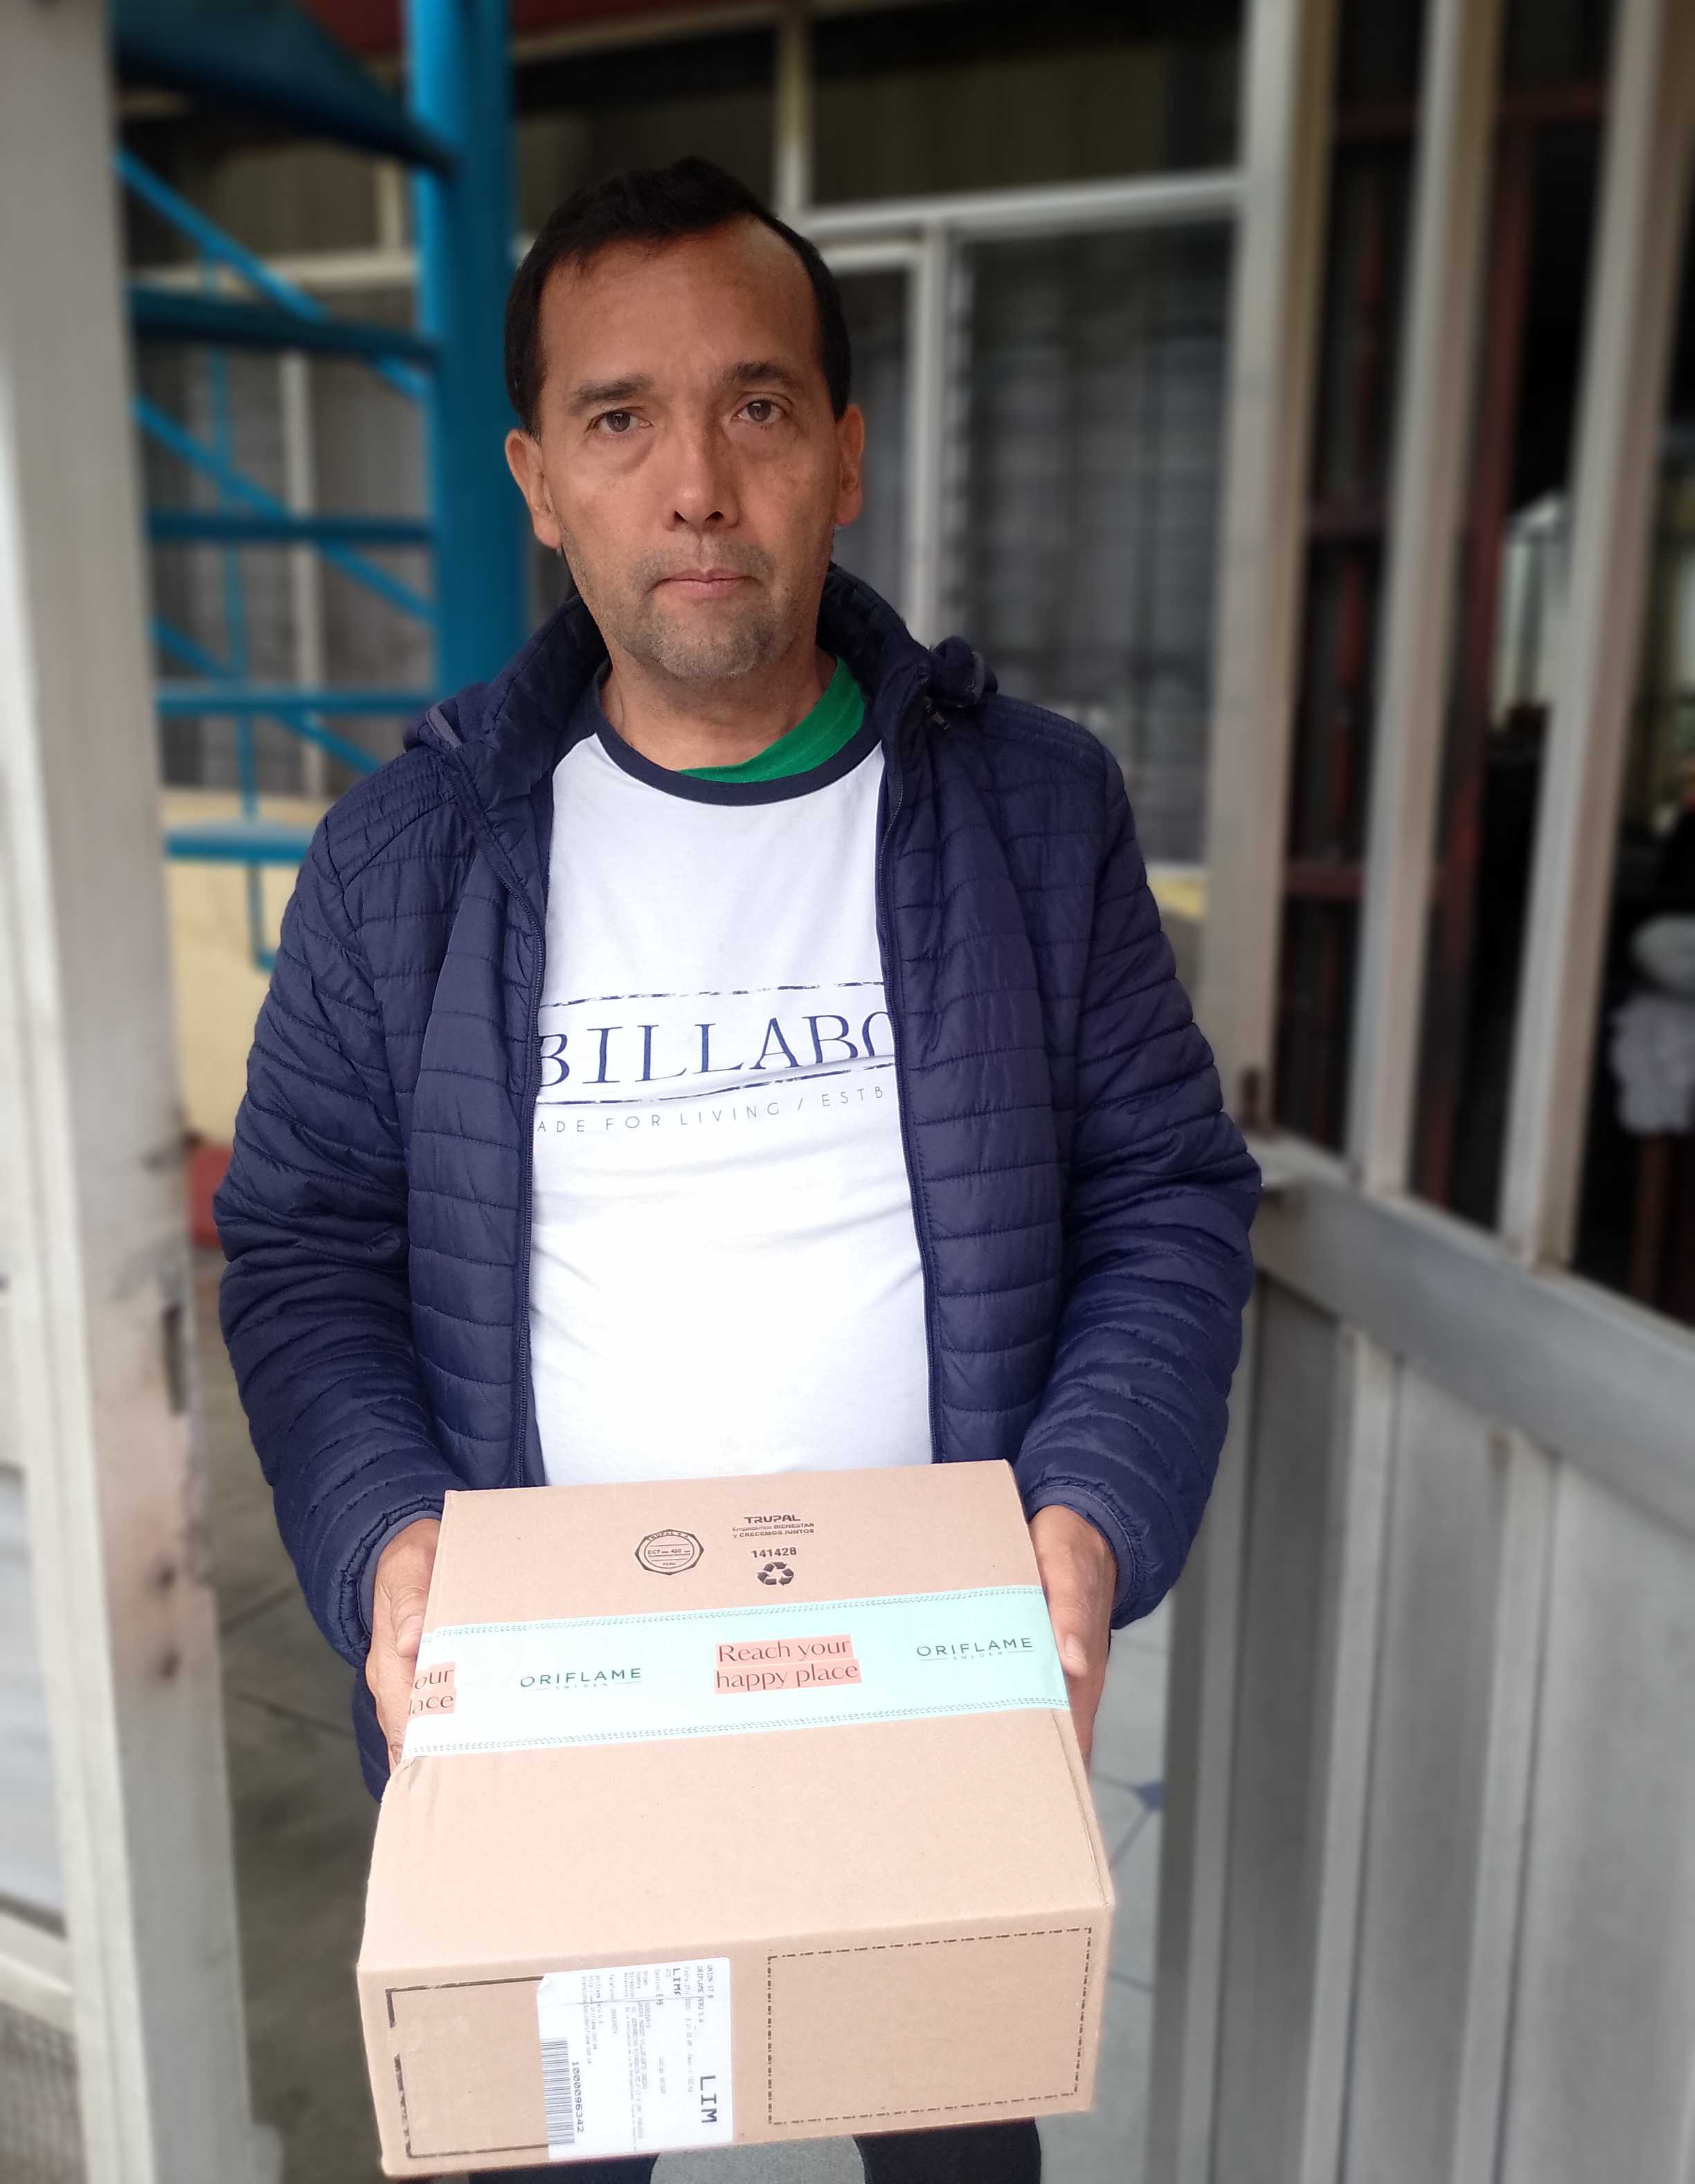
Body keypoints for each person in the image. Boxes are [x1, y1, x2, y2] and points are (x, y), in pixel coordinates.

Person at [215, 156, 1259, 2184]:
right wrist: (384, 1542)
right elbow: (308, 1248)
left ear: (844, 453)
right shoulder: (404, 859)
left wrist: (1084, 1521)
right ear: (539, 481)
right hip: (544, 1713)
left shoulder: (1033, 814)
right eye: (620, 419)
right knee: (559, 2147)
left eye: (756, 406)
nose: (695, 484)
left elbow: (1165, 1191)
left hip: (931, 1698)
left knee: (950, 2151)